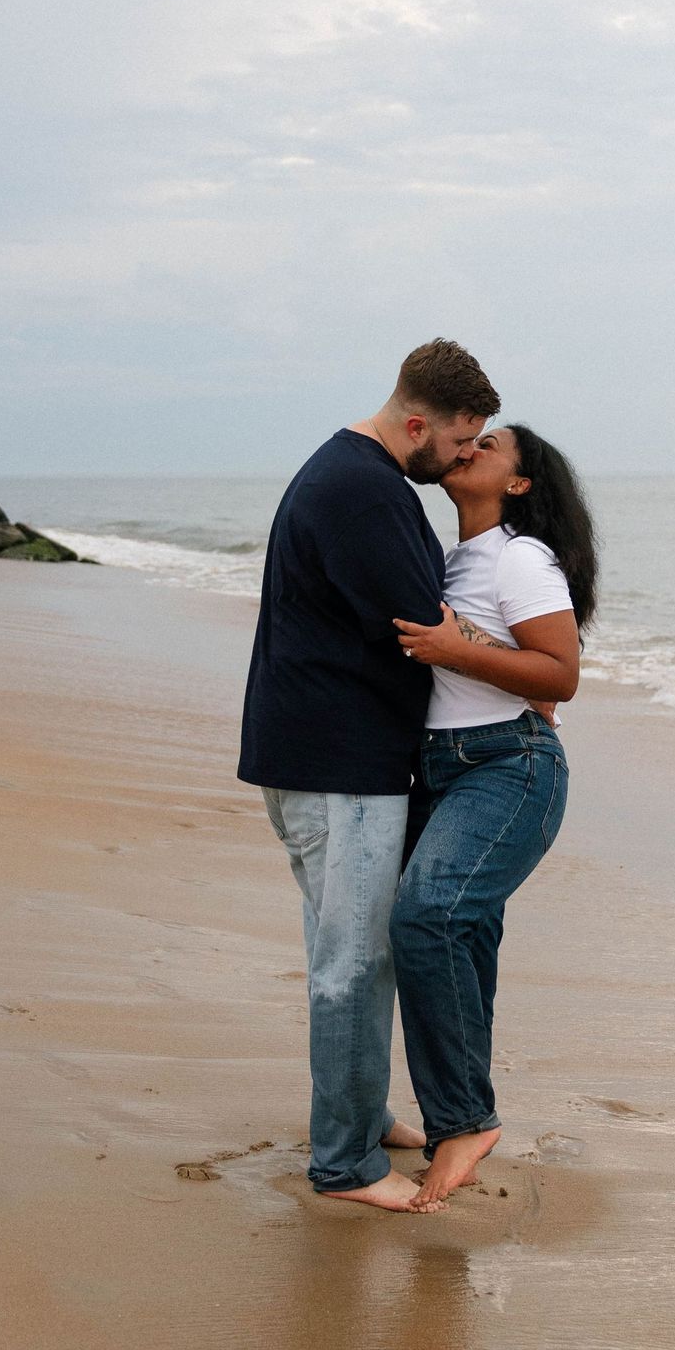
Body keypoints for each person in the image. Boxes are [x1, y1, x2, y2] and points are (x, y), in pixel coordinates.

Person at [237, 338, 502, 1212]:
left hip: (324, 754)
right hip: (339, 763)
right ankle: (344, 1162)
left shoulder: (351, 474)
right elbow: (428, 620)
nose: (466, 459)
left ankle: (362, 1113)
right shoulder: (364, 488)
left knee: (356, 950)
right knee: (351, 961)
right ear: (418, 422)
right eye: (462, 443)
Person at [389, 424, 598, 1208]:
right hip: (440, 770)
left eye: (492, 444)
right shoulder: (452, 557)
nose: (470, 446)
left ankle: (465, 1120)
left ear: (519, 484)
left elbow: (560, 673)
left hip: (509, 766)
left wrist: (453, 647)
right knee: (461, 938)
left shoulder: (522, 556)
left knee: (428, 918)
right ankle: (455, 1124)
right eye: (467, 437)